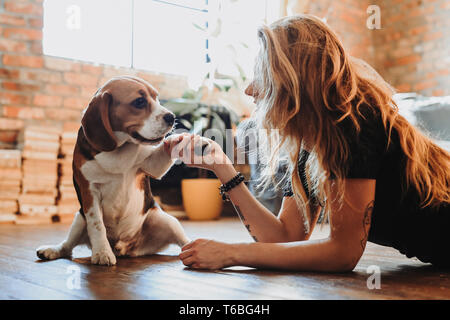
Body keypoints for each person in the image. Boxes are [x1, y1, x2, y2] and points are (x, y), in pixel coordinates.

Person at [164, 14, 450, 272]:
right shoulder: (308, 145)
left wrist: (233, 253)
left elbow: (343, 253)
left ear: (294, 80)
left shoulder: (356, 122)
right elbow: (284, 237)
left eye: (262, 75)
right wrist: (222, 168)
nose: (249, 89)